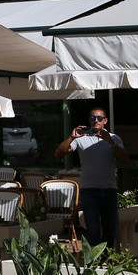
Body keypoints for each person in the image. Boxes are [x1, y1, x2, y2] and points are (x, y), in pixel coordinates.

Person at [54, 106, 128, 248]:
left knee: (110, 231)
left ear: (105, 121)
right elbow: (59, 153)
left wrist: (111, 142)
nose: (96, 120)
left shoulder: (113, 138)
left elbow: (125, 159)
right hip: (89, 190)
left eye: (99, 118)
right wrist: (71, 137)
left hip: (109, 189)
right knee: (93, 231)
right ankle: (93, 259)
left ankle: (106, 258)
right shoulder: (81, 138)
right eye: (93, 118)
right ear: (89, 120)